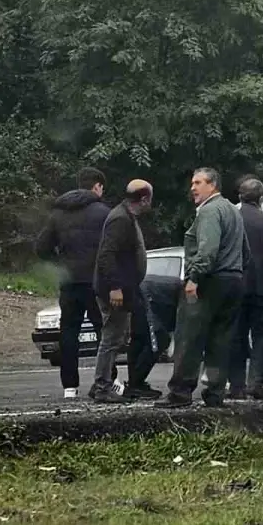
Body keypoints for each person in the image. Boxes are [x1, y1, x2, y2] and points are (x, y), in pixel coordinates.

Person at [155, 168, 247, 409]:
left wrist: (194, 277)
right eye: (192, 183)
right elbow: (244, 251)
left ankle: (180, 393)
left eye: (198, 183)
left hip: (210, 280)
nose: (192, 188)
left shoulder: (209, 211)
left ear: (212, 185)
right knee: (221, 340)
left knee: (189, 337)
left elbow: (207, 249)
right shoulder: (233, 211)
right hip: (233, 280)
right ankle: (215, 393)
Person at [36, 167, 113, 398]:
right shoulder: (104, 213)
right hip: (95, 282)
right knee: (104, 331)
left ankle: (70, 386)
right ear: (97, 186)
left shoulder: (58, 214)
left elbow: (41, 248)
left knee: (69, 333)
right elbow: (113, 247)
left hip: (69, 283)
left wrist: (61, 263)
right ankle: (108, 380)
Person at [90, 180, 155, 403]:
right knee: (111, 339)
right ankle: (102, 387)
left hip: (124, 288)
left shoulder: (126, 216)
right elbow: (106, 255)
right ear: (144, 198)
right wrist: (115, 287)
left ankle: (104, 384)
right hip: (114, 290)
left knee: (116, 338)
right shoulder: (120, 219)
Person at [229, 177, 263, 400]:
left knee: (237, 335)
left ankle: (236, 385)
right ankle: (256, 382)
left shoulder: (230, 218)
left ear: (240, 196)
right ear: (261, 198)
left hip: (236, 283)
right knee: (262, 335)